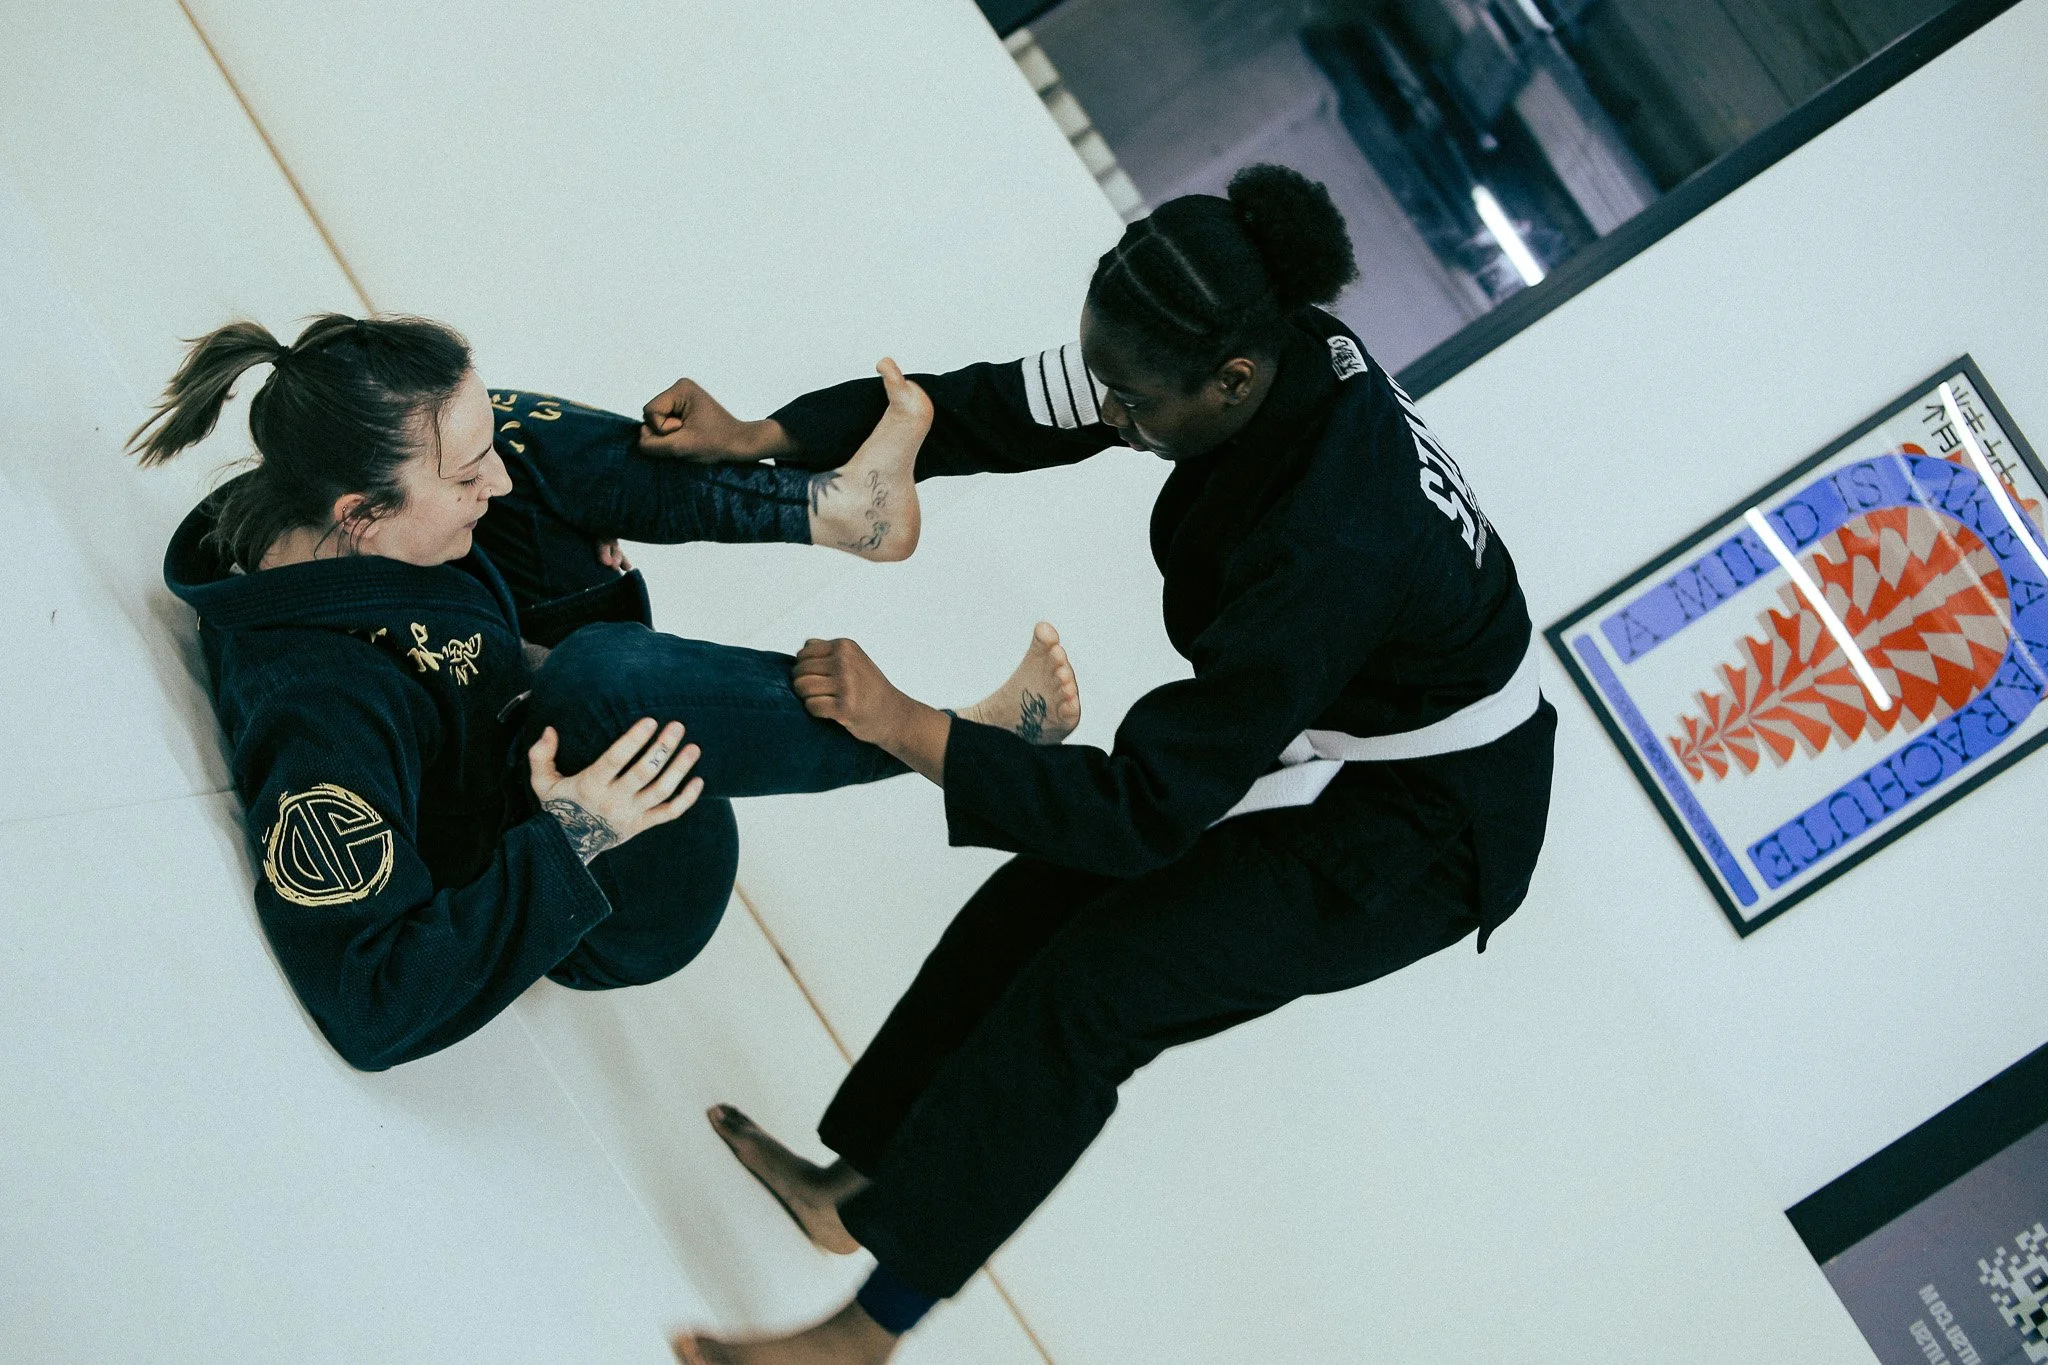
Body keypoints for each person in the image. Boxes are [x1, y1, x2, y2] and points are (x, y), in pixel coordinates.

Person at [654, 165, 1557, 1363]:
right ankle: (847, 1192)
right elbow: (977, 409)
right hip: (1349, 722)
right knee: (1035, 892)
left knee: (1098, 992)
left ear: (1230, 383)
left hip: (1427, 827)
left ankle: (865, 1336)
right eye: (1104, 384)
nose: (1110, 417)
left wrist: (910, 723)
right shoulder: (1238, 349)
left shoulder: (1331, 538)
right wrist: (770, 436)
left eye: (1129, 404)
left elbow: (1143, 809)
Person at [137, 313, 1080, 1072]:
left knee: (517, 437)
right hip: (613, 862)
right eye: (469, 479)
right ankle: (958, 744)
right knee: (607, 673)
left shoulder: (312, 499)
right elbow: (370, 1001)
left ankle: (831, 506)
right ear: (362, 514)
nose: (494, 481)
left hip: (512, 674)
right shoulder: (316, 710)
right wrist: (576, 832)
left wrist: (537, 600)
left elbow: (472, 542)